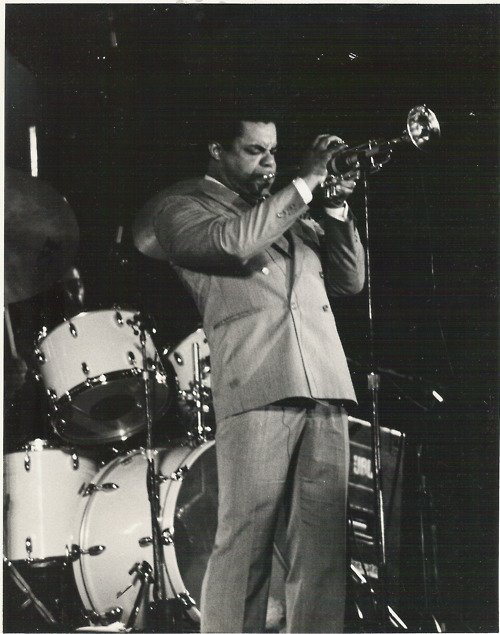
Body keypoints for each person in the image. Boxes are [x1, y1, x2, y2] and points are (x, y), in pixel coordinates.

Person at [134, 106, 366, 633]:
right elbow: (233, 244)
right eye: (254, 150)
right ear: (217, 151)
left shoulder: (286, 210)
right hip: (258, 382)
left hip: (324, 382)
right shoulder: (182, 208)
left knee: (323, 553)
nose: (269, 163)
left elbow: (349, 281)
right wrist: (306, 182)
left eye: (274, 151)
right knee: (246, 546)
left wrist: (334, 207)